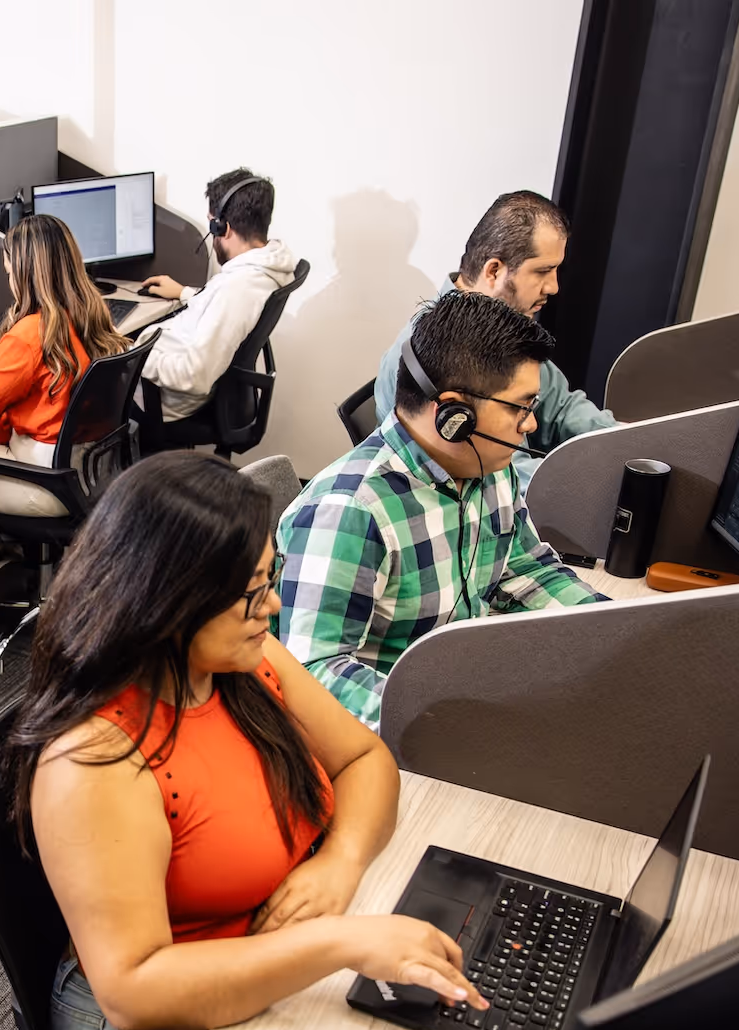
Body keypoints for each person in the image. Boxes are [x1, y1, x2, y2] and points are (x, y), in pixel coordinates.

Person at [6, 452, 486, 1030]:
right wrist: (339, 942)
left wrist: (340, 865)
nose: (274, 605)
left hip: (265, 978)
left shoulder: (241, 665)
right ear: (168, 602)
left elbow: (366, 761)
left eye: (270, 578)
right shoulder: (95, 758)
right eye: (253, 592)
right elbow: (134, 990)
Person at [278, 290, 605, 730]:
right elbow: (312, 674)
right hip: (400, 734)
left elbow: (526, 569)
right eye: (522, 407)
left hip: (466, 685)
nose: (529, 425)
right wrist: (445, 722)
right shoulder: (349, 511)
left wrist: (611, 629)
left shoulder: (487, 466)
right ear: (456, 415)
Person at [0, 213, 128, 591]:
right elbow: (47, 361)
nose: (10, 281)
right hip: (88, 470)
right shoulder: (87, 312)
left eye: (11, 272)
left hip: (44, 480)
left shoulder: (30, 331)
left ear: (28, 273)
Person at [374, 190, 616, 484]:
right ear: (494, 271)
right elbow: (505, 481)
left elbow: (561, 408)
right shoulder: (423, 355)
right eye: (543, 271)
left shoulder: (507, 332)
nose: (553, 286)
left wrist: (631, 441)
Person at [135, 169, 299, 420]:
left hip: (163, 398)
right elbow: (224, 309)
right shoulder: (269, 265)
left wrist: (132, 355)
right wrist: (186, 293)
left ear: (224, 227)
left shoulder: (236, 290)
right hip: (173, 371)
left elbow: (193, 376)